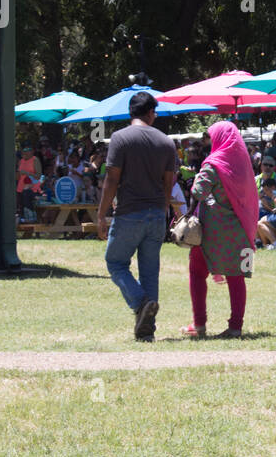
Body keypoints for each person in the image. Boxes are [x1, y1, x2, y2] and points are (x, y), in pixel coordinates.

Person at [97, 92, 176, 341]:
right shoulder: (166, 142)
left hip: (129, 212)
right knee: (150, 272)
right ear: (151, 112)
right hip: (156, 213)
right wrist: (162, 208)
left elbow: (112, 179)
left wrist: (101, 214)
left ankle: (141, 303)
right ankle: (146, 330)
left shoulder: (121, 138)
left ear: (131, 112)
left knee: (116, 263)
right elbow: (168, 183)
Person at [184, 121, 258, 339]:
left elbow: (198, 192)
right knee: (236, 277)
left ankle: (199, 325)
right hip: (241, 231)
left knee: (197, 273)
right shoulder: (244, 165)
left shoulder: (213, 163)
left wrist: (195, 182)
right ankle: (235, 327)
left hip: (212, 233)